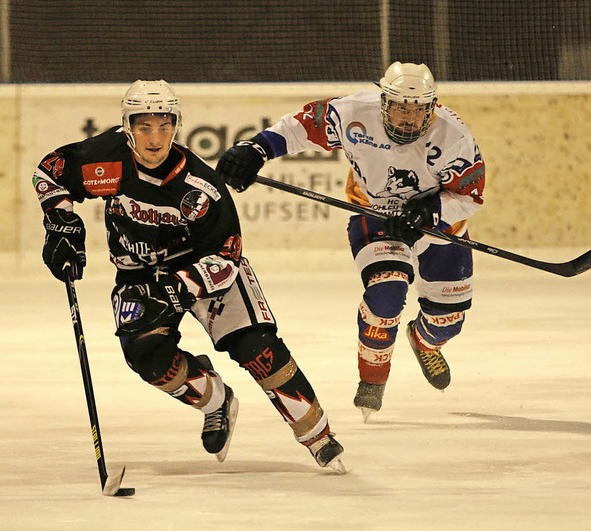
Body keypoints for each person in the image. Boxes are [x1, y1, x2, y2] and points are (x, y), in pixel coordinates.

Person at [33, 79, 345, 472]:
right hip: (138, 273)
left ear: (176, 126)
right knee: (147, 359)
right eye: (144, 126)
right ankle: (216, 401)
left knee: (258, 348)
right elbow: (50, 172)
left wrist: (179, 288)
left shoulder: (200, 185)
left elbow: (227, 255)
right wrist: (61, 222)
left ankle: (317, 435)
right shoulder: (105, 157)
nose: (154, 137)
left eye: (164, 126)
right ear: (127, 125)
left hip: (202, 269)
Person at [216, 62, 485, 422]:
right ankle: (373, 380)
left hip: (439, 227)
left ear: (432, 106)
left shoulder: (454, 137)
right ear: (384, 101)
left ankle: (425, 340)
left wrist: (430, 211)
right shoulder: (355, 112)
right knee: (386, 295)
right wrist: (257, 149)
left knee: (447, 320)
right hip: (374, 212)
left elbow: (471, 195)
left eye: (419, 109)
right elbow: (300, 126)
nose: (408, 119)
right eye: (401, 108)